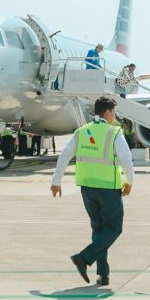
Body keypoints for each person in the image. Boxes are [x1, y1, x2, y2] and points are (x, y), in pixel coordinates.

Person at [51, 96, 134, 286]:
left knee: (99, 230)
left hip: (87, 188)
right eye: (113, 112)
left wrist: (56, 181)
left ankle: (103, 275)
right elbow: (126, 159)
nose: (114, 116)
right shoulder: (114, 132)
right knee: (114, 229)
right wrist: (129, 181)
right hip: (108, 188)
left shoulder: (82, 131)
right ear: (107, 112)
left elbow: (65, 156)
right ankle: (83, 258)